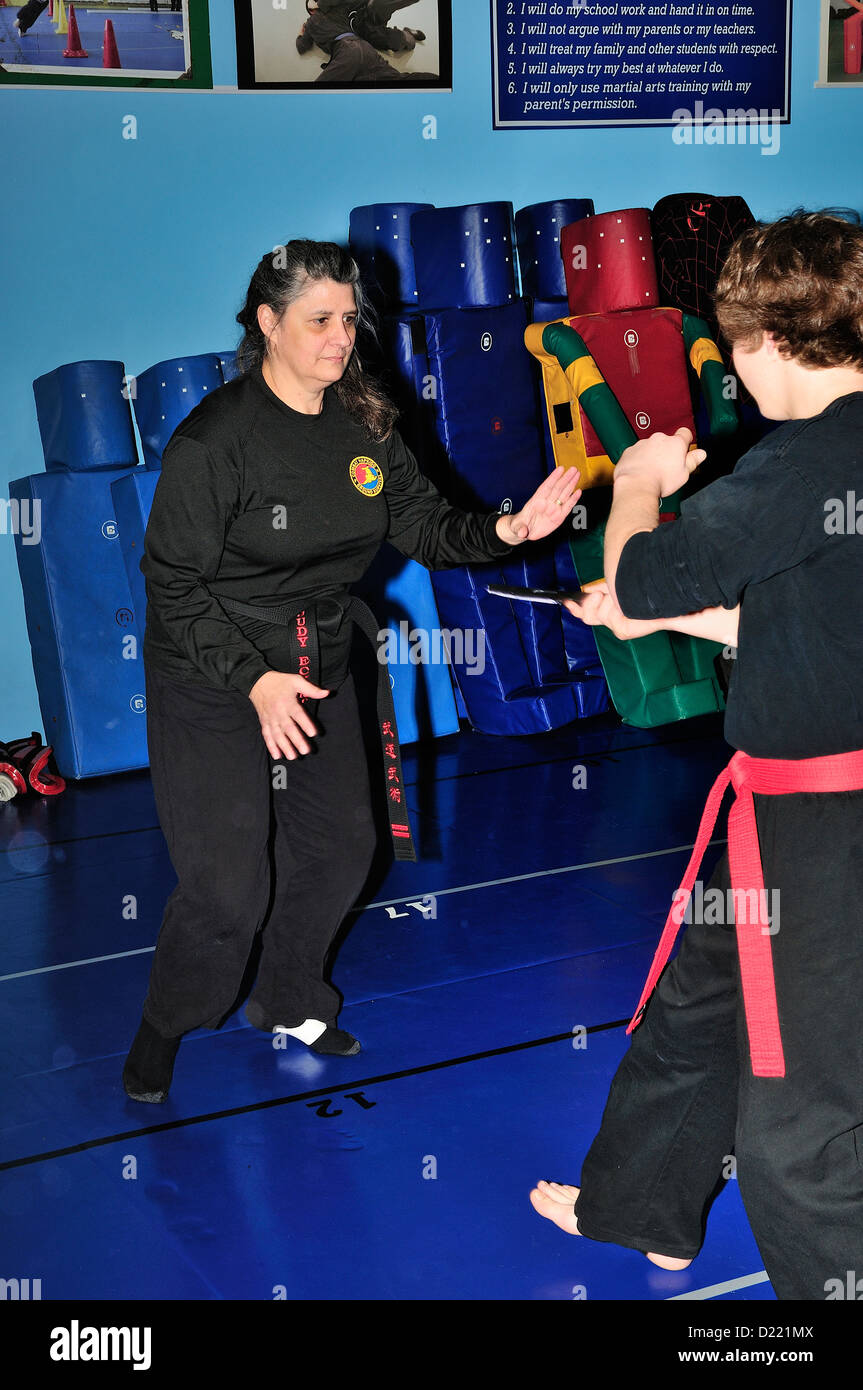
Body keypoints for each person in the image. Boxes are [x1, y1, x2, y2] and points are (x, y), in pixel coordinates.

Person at [122, 239, 581, 1103]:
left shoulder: (365, 421)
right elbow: (172, 583)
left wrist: (507, 533)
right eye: (319, 320)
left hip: (321, 655)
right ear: (268, 323)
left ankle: (288, 999)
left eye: (349, 319)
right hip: (215, 669)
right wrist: (252, 680)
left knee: (341, 850)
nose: (340, 338)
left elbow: (425, 527)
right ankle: (165, 1023)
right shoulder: (214, 440)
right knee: (228, 892)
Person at [530, 209, 863, 1301]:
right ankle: (646, 1210)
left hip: (817, 832)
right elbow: (811, 615)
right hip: (792, 808)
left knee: (797, 1127)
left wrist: (634, 486)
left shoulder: (794, 466)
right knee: (698, 1001)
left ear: (770, 341)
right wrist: (672, 619)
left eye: (731, 345)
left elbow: (634, 574)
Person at [296, 1, 437, 82]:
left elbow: (302, 46)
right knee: (397, 79)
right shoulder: (318, 19)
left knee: (377, 9)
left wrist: (300, 35)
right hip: (364, 45)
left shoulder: (335, 9)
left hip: (356, 40)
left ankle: (408, 34)